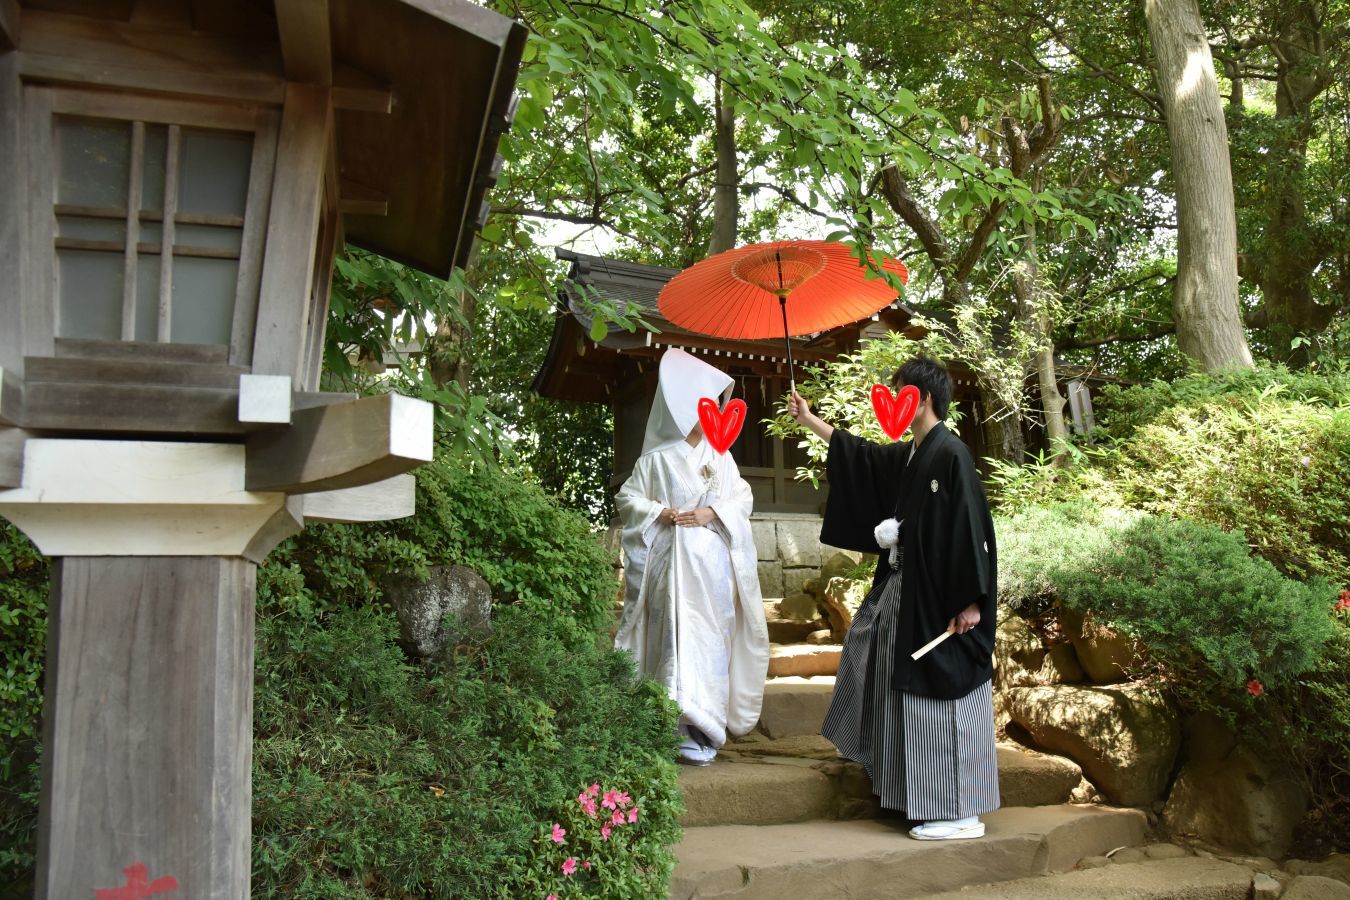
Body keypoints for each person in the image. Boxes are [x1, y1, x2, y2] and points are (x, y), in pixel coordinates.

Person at [787, 355, 999, 840]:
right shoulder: (911, 454)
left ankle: (959, 810)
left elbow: (971, 530)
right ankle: (908, 792)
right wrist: (810, 419)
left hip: (941, 598)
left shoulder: (951, 454)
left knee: (938, 694)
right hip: (904, 591)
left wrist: (972, 600)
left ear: (921, 398)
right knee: (868, 652)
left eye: (901, 392)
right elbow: (860, 456)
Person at [615, 348, 769, 766]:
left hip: (712, 569)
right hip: (670, 566)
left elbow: (742, 499)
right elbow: (628, 498)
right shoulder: (655, 460)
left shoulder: (722, 458)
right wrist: (658, 512)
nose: (714, 411)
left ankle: (706, 726)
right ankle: (671, 722)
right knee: (673, 638)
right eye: (706, 404)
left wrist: (711, 512)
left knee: (709, 640)